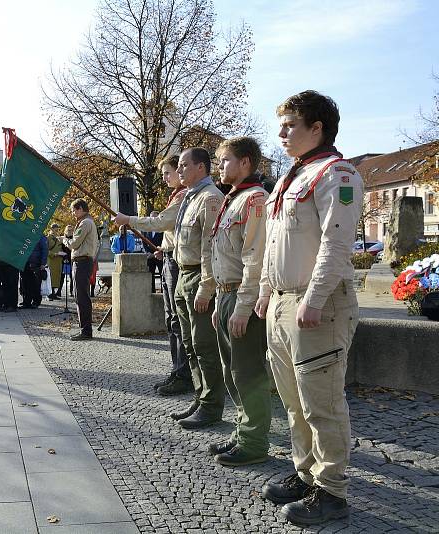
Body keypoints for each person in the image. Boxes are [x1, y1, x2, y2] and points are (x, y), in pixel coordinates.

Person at [254, 90, 363, 525]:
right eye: (280, 124)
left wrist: (314, 298)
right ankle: (305, 473)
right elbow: (272, 246)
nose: (281, 133)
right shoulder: (288, 179)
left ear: (317, 127)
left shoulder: (339, 175)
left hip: (317, 306)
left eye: (290, 125)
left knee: (322, 402)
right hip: (283, 305)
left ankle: (332, 490)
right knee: (294, 403)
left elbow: (337, 244)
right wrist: (265, 290)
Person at [208, 136, 272, 467]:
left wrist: (243, 306)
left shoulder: (255, 200)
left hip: (240, 294)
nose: (220, 167)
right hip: (226, 293)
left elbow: (255, 259)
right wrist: (220, 299)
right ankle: (241, 431)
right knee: (231, 370)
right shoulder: (234, 199)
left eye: (225, 160)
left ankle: (255, 441)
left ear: (245, 162)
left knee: (247, 372)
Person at [115, 155, 190, 396]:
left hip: (177, 262)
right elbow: (171, 231)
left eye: (168, 172)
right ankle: (177, 369)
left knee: (178, 320)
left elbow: (162, 222)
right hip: (168, 256)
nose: (165, 177)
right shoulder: (177, 195)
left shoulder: (184, 196)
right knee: (171, 320)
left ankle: (183, 373)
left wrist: (129, 219)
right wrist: (163, 248)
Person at [170, 147, 225, 429]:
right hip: (183, 275)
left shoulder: (211, 198)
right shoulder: (190, 197)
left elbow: (209, 248)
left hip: (198, 278)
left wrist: (207, 287)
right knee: (190, 344)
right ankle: (200, 396)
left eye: (183, 165)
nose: (179, 170)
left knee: (204, 344)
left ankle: (212, 405)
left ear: (201, 167)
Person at [63, 198, 98, 340]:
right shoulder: (87, 222)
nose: (72, 213)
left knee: (81, 296)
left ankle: (86, 331)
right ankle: (84, 329)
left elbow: (74, 244)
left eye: (73, 210)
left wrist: (64, 239)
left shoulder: (85, 223)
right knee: (80, 295)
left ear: (80, 209)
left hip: (82, 261)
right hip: (83, 261)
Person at [20, 234, 48, 309]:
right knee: (25, 283)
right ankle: (26, 301)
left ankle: (36, 301)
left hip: (36, 263)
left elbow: (45, 250)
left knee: (35, 284)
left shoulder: (41, 236)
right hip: (25, 262)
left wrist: (43, 263)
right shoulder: (27, 234)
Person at [142, 213, 164, 293]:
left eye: (155, 218)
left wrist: (159, 252)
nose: (153, 220)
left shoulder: (162, 229)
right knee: (150, 275)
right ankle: (152, 292)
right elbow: (144, 241)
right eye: (152, 218)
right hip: (150, 257)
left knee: (163, 275)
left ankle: (163, 292)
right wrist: (148, 252)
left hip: (160, 256)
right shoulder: (146, 229)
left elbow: (164, 242)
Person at [46, 224, 64, 300]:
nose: (57, 231)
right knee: (51, 277)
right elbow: (46, 250)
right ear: (51, 229)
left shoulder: (59, 238)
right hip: (51, 260)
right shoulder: (47, 238)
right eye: (56, 229)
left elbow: (61, 248)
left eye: (58, 229)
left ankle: (54, 293)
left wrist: (63, 253)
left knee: (56, 278)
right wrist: (54, 254)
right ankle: (49, 295)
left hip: (58, 260)